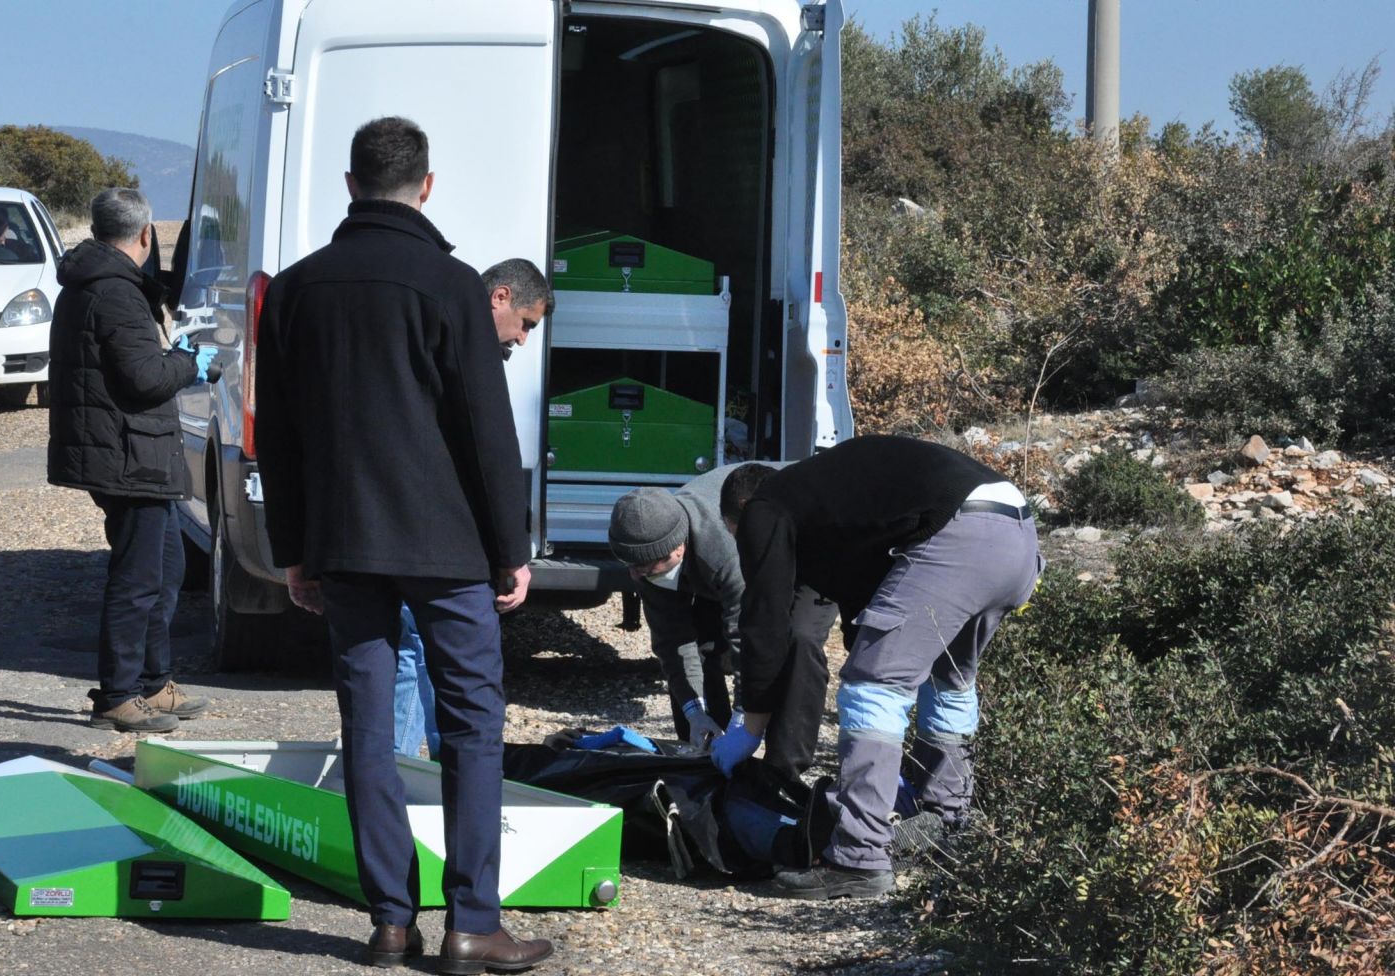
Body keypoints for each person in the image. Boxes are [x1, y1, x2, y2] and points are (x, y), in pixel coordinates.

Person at [253, 117, 552, 975]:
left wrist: (294, 549)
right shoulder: (453, 284)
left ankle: (389, 920)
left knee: (370, 731)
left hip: (344, 544)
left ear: (351, 186)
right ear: (426, 186)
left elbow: (280, 433)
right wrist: (511, 547)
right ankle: (471, 923)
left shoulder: (299, 290)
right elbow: (485, 433)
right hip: (448, 546)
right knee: (472, 727)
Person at [712, 437, 1042, 899]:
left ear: (740, 516)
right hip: (1018, 534)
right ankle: (947, 821)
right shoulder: (834, 498)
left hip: (961, 532)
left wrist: (749, 726)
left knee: (873, 685)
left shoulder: (766, 505)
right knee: (947, 679)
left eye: (736, 534)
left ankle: (859, 857)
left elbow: (764, 621)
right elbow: (868, 604)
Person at [47, 187, 214, 733]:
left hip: (128, 447)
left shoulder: (95, 282)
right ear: (146, 235)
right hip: (129, 453)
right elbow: (145, 378)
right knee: (138, 578)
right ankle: (117, 695)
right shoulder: (116, 292)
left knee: (168, 567)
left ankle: (152, 683)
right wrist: (190, 362)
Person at [393, 257, 552, 760]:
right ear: (499, 297)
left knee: (404, 651)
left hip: (389, 534)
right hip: (444, 545)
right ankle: (453, 772)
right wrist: (513, 555)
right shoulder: (469, 353)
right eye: (526, 324)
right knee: (446, 660)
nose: (524, 339)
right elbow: (492, 455)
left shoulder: (418, 330)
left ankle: (391, 775)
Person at [606, 467, 838, 779]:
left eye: (645, 567)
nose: (635, 575)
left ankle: (784, 770)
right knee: (701, 646)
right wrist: (694, 711)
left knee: (799, 639)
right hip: (710, 563)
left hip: (807, 548)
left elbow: (750, 636)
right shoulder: (647, 554)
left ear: (677, 548)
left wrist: (745, 720)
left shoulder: (723, 551)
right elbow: (671, 641)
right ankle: (705, 755)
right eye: (629, 566)